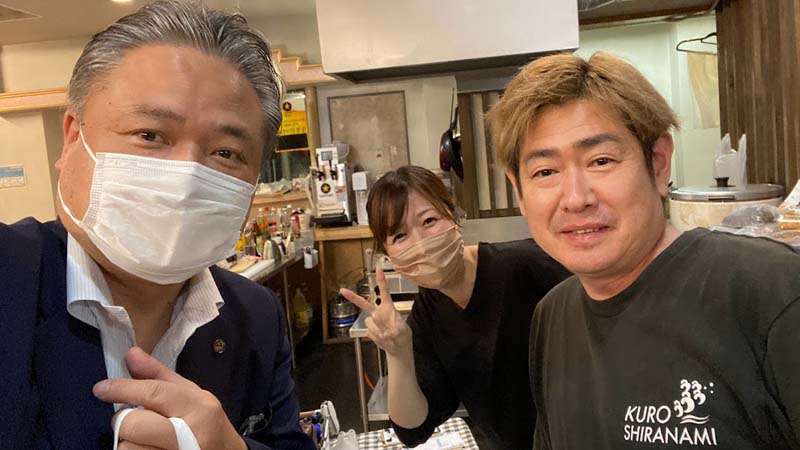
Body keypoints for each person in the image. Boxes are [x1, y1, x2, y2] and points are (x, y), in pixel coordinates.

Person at [0, 2, 315, 450]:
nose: (186, 177)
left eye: (225, 153)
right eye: (150, 135)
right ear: (72, 138)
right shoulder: (10, 278)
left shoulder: (256, 317)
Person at [486, 51, 800, 449]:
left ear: (659, 163)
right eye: (545, 172)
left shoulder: (773, 293)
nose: (576, 198)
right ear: (519, 191)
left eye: (601, 161)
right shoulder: (551, 317)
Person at [340, 166, 570, 449]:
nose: (421, 244)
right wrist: (398, 355)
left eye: (429, 220)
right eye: (399, 236)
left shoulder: (527, 265)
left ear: (454, 216)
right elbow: (413, 429)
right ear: (388, 255)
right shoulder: (427, 315)